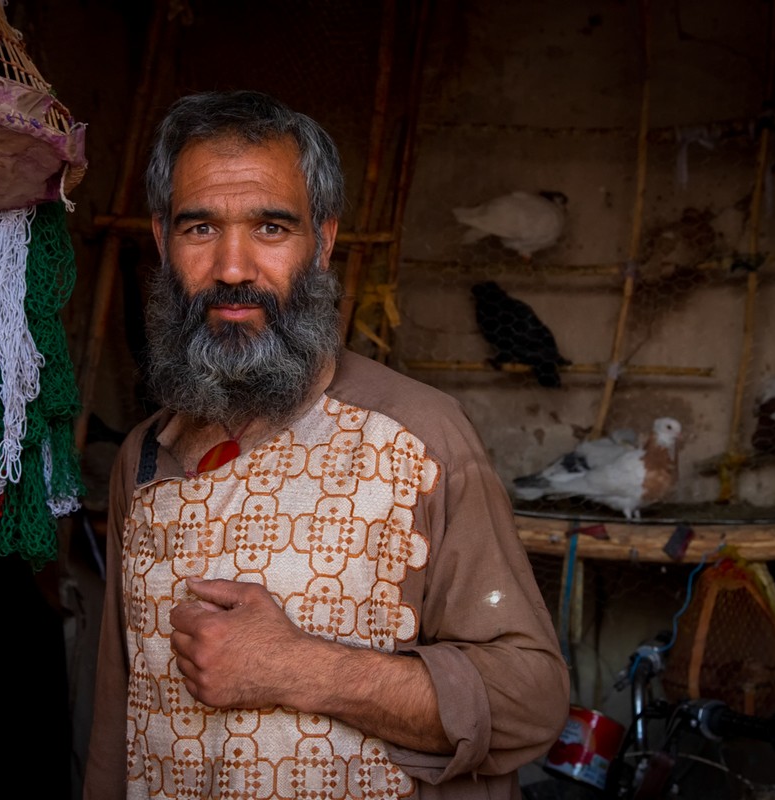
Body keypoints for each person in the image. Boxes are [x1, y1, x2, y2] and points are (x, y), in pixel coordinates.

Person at [83, 89, 569, 800]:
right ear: (162, 241)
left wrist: (300, 668)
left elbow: (532, 699)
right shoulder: (145, 458)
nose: (233, 267)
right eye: (199, 229)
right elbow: (116, 729)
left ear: (324, 241)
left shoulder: (421, 439)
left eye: (272, 228)